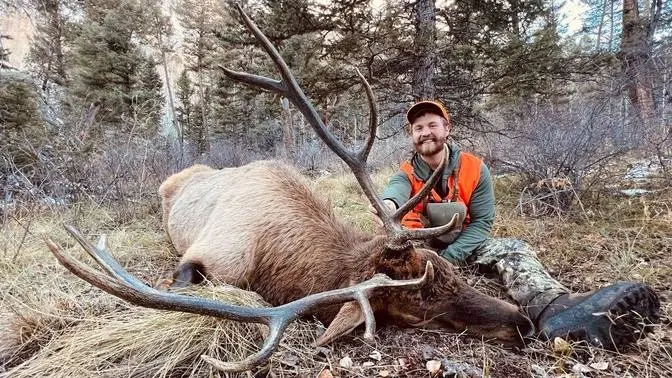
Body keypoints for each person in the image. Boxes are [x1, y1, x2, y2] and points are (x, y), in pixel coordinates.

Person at [370, 100, 660, 349]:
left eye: (432, 125)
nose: (425, 132)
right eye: (418, 128)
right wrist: (388, 207)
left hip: (467, 244)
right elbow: (394, 193)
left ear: (447, 128)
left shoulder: (473, 168)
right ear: (412, 136)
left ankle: (552, 308)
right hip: (424, 253)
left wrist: (452, 259)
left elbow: (483, 222)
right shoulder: (406, 173)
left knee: (513, 248)